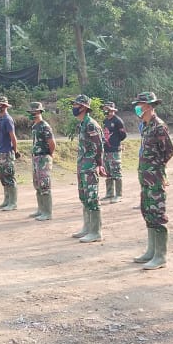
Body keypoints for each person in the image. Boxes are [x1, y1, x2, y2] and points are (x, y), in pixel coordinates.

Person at [130, 92, 173, 269]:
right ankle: (151, 251)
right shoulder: (146, 125)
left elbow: (169, 151)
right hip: (145, 177)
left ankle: (161, 256)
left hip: (155, 177)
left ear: (149, 106)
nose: (138, 107)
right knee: (147, 211)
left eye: (140, 104)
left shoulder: (159, 127)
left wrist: (158, 167)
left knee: (157, 213)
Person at [70, 94, 106, 243]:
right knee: (84, 197)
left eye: (76, 105)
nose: (74, 107)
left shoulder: (91, 124)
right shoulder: (83, 123)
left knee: (92, 197)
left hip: (90, 166)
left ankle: (96, 231)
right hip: (83, 165)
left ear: (84, 107)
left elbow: (99, 146)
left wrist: (99, 164)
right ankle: (87, 227)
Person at [28, 102, 56, 221]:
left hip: (43, 157)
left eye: (34, 112)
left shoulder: (45, 126)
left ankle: (47, 212)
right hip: (36, 158)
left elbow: (52, 143)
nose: (32, 114)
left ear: (40, 112)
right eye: (31, 112)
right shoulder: (34, 126)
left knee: (44, 184)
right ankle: (41, 209)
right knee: (37, 184)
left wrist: (49, 154)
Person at [0, 96, 20, 211]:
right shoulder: (1, 119)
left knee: (9, 176)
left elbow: (13, 137)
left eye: (0, 105)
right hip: (1, 151)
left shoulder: (8, 119)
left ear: (4, 106)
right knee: (3, 177)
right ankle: (7, 200)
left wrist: (16, 150)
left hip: (7, 152)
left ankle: (13, 202)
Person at [101, 101, 127, 204]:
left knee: (116, 171)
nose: (108, 112)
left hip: (115, 150)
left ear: (113, 111)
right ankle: (109, 193)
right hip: (106, 150)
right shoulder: (104, 121)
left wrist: (116, 142)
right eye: (106, 110)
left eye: (110, 110)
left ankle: (118, 194)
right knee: (108, 172)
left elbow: (123, 135)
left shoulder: (118, 121)